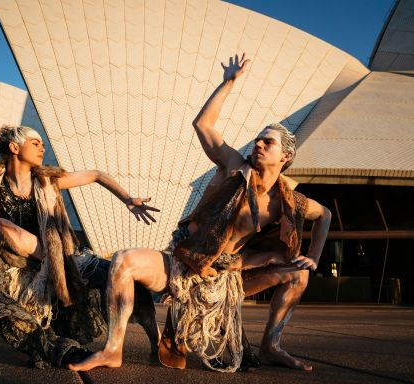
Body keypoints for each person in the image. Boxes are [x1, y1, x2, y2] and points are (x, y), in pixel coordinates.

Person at [68, 54, 331, 373]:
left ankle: (271, 346)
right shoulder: (235, 166)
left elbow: (325, 215)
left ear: (286, 155)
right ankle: (112, 350)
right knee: (124, 260)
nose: (259, 145)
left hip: (226, 276)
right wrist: (229, 82)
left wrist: (314, 256)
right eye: (258, 139)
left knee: (298, 273)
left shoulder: (286, 199)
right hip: (184, 264)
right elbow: (203, 125)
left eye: (268, 142)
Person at [0, 125, 160, 368]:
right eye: (35, 143)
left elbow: (96, 174)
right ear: (14, 147)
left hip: (57, 259)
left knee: (119, 276)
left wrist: (128, 199)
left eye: (42, 144)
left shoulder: (49, 180)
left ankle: (158, 342)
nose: (42, 147)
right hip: (14, 259)